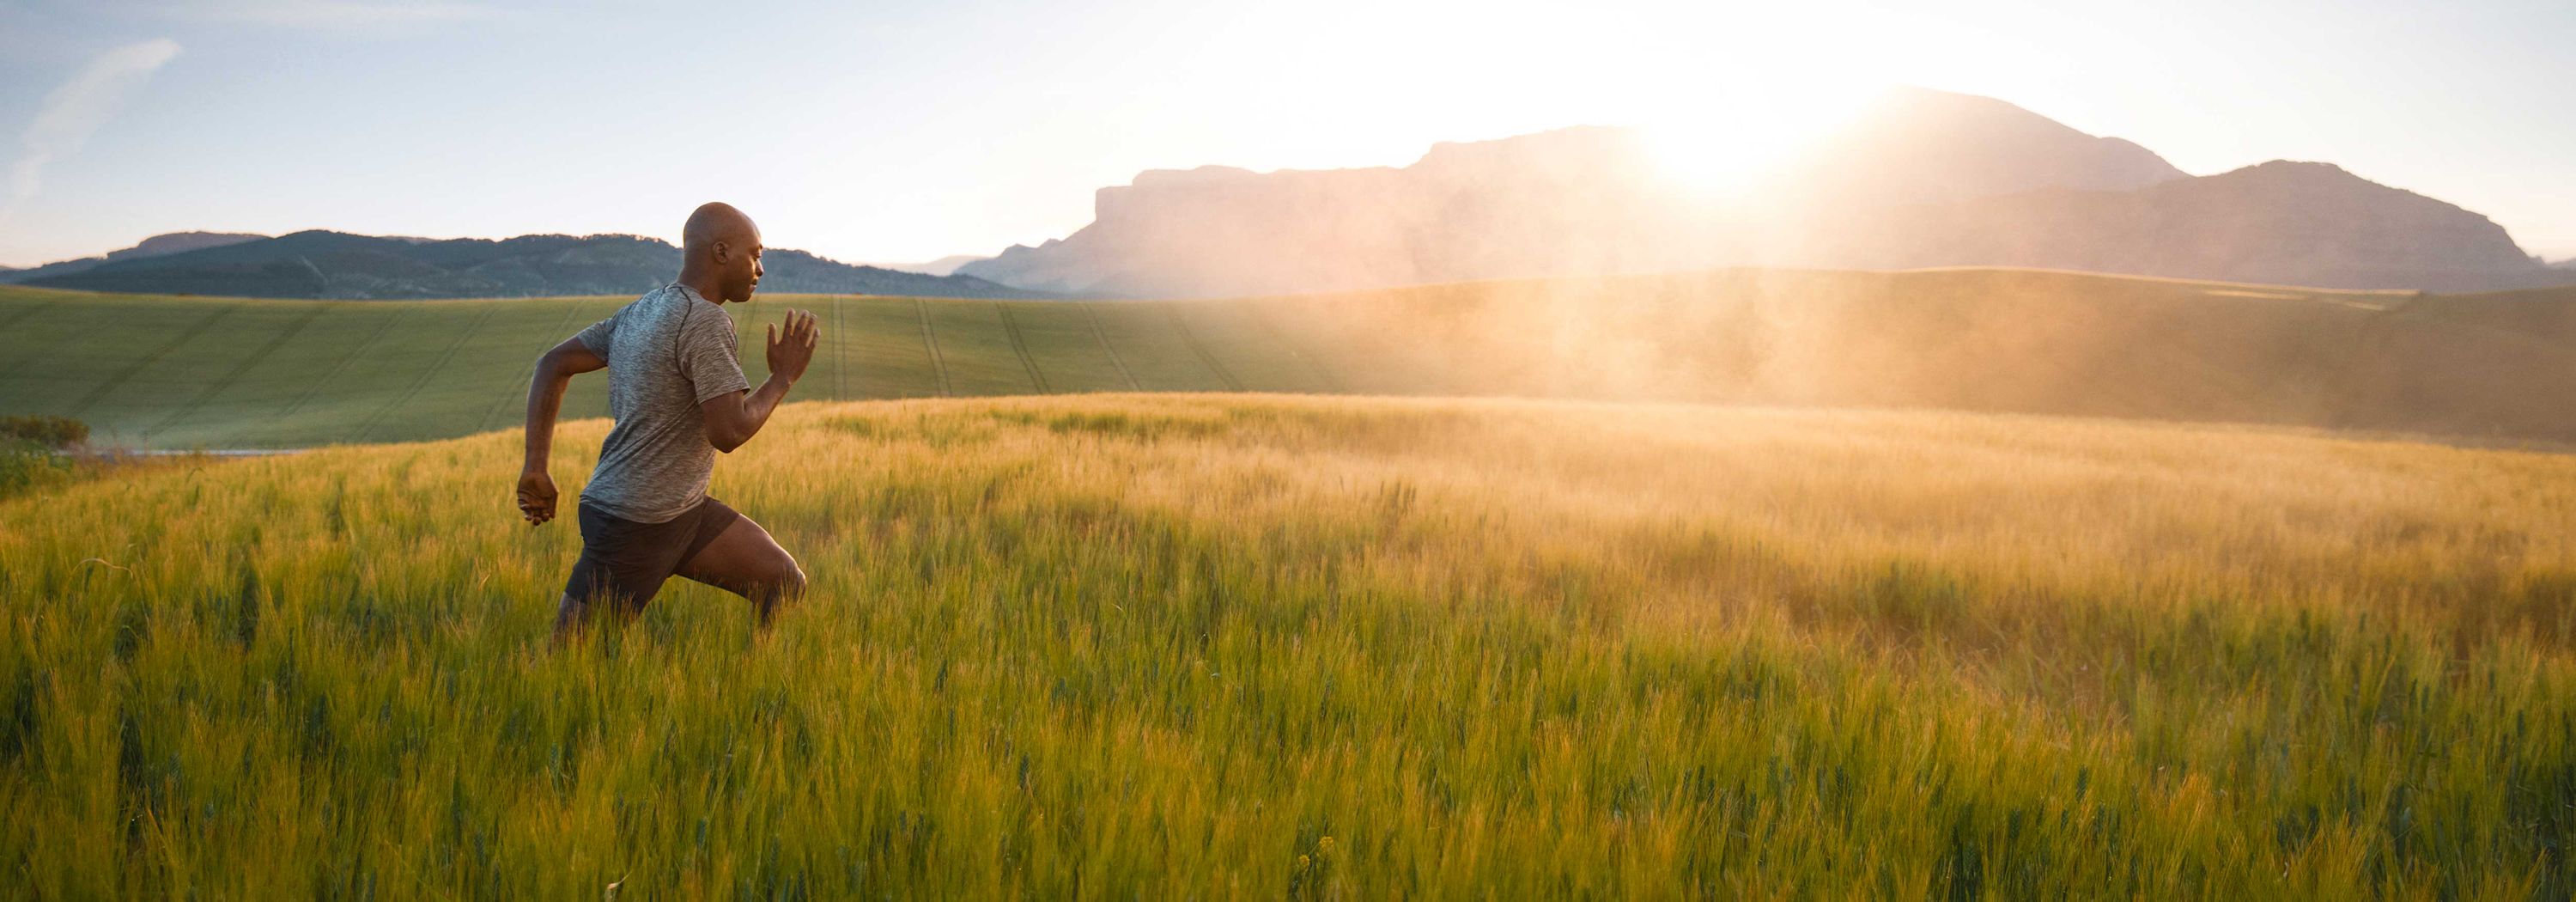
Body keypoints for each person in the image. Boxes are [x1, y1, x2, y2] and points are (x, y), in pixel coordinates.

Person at [514, 201, 820, 638]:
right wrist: (783, 377)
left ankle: (755, 690)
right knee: (570, 660)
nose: (761, 268)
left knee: (781, 581)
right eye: (755, 254)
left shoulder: (641, 310)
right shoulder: (706, 320)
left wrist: (535, 466)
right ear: (720, 252)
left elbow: (552, 363)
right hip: (635, 520)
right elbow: (728, 432)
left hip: (681, 511)